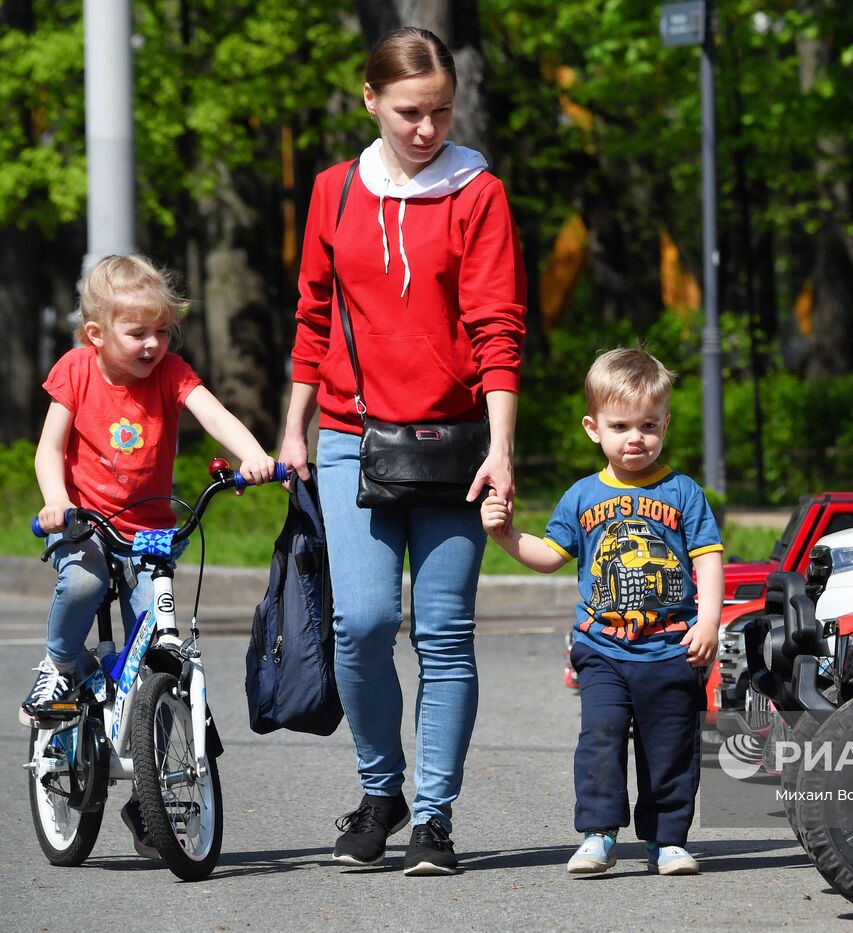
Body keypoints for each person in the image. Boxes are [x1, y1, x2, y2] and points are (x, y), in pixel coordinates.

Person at [278, 26, 525, 877]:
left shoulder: (477, 192)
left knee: (444, 633)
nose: (428, 129)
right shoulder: (333, 193)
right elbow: (313, 318)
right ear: (371, 100)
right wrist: (292, 427)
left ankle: (433, 818)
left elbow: (499, 330)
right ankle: (380, 787)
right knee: (363, 622)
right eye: (411, 112)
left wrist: (501, 447)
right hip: (350, 432)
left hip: (456, 442)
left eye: (442, 111)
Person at [482, 347, 723, 876]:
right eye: (621, 425)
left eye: (649, 425)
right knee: (601, 740)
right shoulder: (581, 496)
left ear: (665, 425)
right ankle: (598, 835)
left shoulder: (684, 493)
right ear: (594, 429)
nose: (635, 437)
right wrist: (504, 534)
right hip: (603, 649)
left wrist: (708, 621)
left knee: (671, 749)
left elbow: (708, 560)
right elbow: (548, 556)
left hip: (672, 648)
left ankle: (667, 841)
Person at [22, 254, 275, 727]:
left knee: (160, 644)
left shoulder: (172, 372)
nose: (153, 344)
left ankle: (152, 774)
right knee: (83, 581)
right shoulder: (77, 370)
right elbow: (49, 449)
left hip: (151, 530)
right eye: (137, 334)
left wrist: (255, 455)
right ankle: (58, 666)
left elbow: (215, 415)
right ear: (96, 334)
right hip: (85, 522)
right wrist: (57, 500)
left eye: (161, 332)